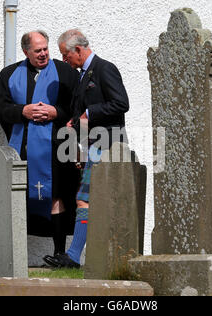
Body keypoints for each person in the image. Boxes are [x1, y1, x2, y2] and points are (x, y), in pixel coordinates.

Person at [44, 29, 130, 268]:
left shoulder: (104, 68)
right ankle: (89, 257)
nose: (64, 60)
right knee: (92, 202)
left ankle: (72, 256)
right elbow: (84, 108)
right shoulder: (84, 75)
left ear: (78, 50)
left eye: (65, 55)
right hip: (93, 145)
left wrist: (89, 113)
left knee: (84, 200)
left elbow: (121, 103)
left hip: (107, 145)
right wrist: (75, 121)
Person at [0, 31, 80, 260]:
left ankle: (60, 252)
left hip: (57, 148)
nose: (43, 54)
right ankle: (6, 253)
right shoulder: (9, 75)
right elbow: (1, 107)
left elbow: (78, 107)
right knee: (15, 198)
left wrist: (56, 112)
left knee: (57, 195)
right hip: (21, 148)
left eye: (45, 49)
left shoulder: (65, 72)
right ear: (26, 52)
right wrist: (22, 111)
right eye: (37, 50)